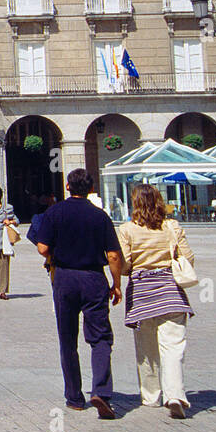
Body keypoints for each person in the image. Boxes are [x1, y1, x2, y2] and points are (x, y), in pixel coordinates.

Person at [27, 168, 125, 419]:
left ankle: (74, 397)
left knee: (68, 338)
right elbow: (113, 255)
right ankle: (101, 392)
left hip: (65, 278)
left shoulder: (55, 212)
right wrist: (116, 284)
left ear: (68, 186)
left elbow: (42, 248)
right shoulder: (100, 216)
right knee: (100, 337)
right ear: (90, 189)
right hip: (94, 277)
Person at [117, 184, 196, 419]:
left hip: (142, 293)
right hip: (171, 291)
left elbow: (124, 264)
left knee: (146, 347)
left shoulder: (127, 229)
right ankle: (174, 395)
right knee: (173, 346)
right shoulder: (172, 226)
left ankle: (151, 396)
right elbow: (188, 257)